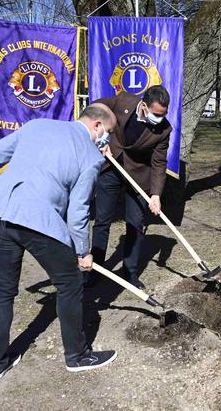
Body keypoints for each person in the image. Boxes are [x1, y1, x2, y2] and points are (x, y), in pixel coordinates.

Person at [0, 104, 119, 380]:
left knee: (2, 290)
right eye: (109, 132)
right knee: (70, 283)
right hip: (37, 221)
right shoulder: (91, 157)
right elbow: (78, 211)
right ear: (97, 125)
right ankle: (77, 356)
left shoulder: (38, 125)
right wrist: (83, 252)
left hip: (0, 213)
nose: (107, 139)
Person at [90, 85, 172, 289]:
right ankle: (95, 269)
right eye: (156, 114)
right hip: (111, 165)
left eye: (163, 114)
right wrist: (101, 138)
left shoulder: (164, 130)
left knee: (135, 224)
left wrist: (155, 194)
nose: (159, 119)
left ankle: (130, 272)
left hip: (138, 175)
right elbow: (94, 110)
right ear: (144, 106)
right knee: (102, 221)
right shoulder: (123, 102)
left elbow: (159, 163)